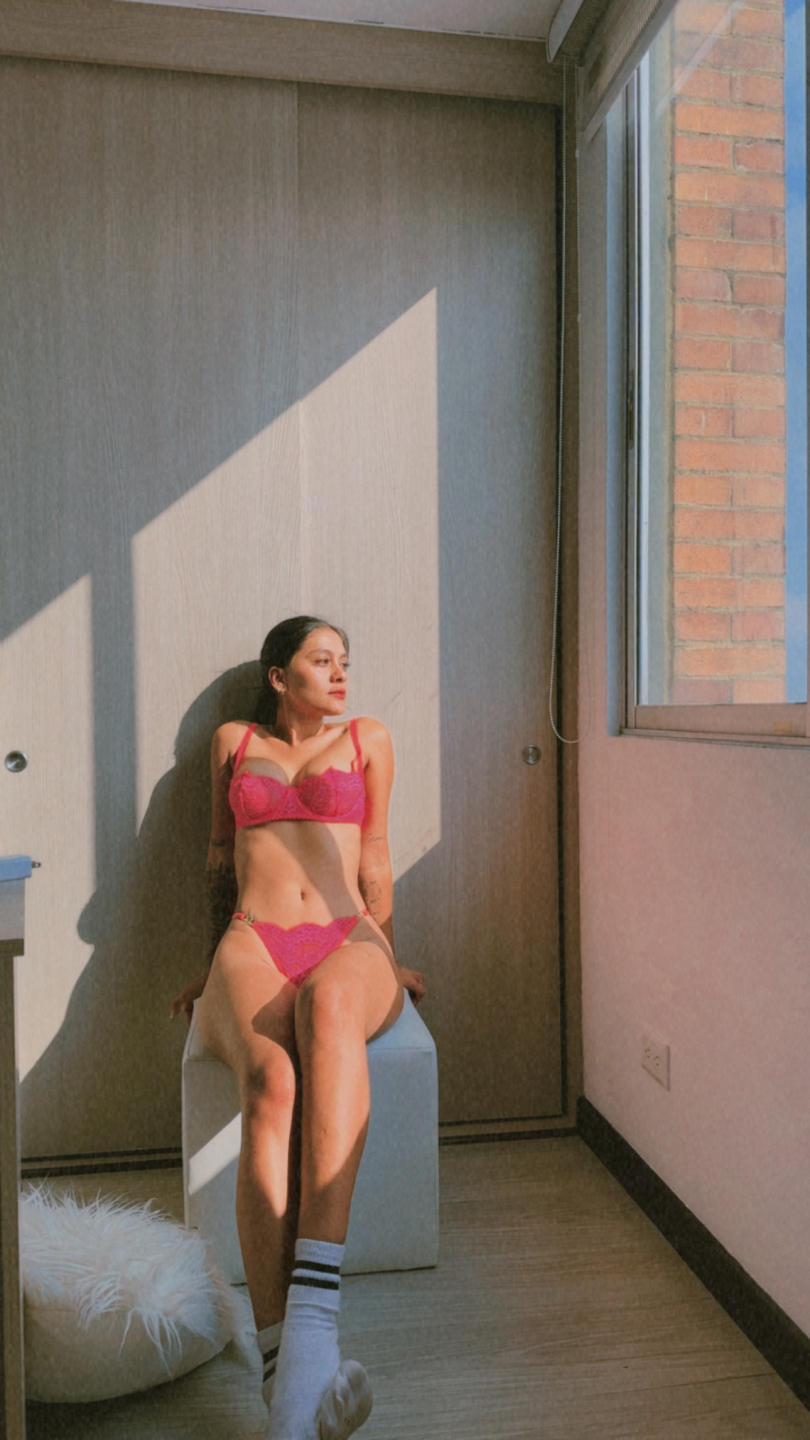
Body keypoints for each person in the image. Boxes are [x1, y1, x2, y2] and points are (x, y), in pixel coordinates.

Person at [171, 615, 425, 1440]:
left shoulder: (367, 739)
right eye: (322, 660)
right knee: (270, 1080)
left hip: (347, 935)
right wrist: (213, 967)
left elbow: (375, 856)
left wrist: (390, 956)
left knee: (330, 1007)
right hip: (255, 936)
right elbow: (219, 862)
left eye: (345, 660)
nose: (340, 673)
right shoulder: (233, 742)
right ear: (279, 676)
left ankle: (309, 1324)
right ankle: (288, 1371)